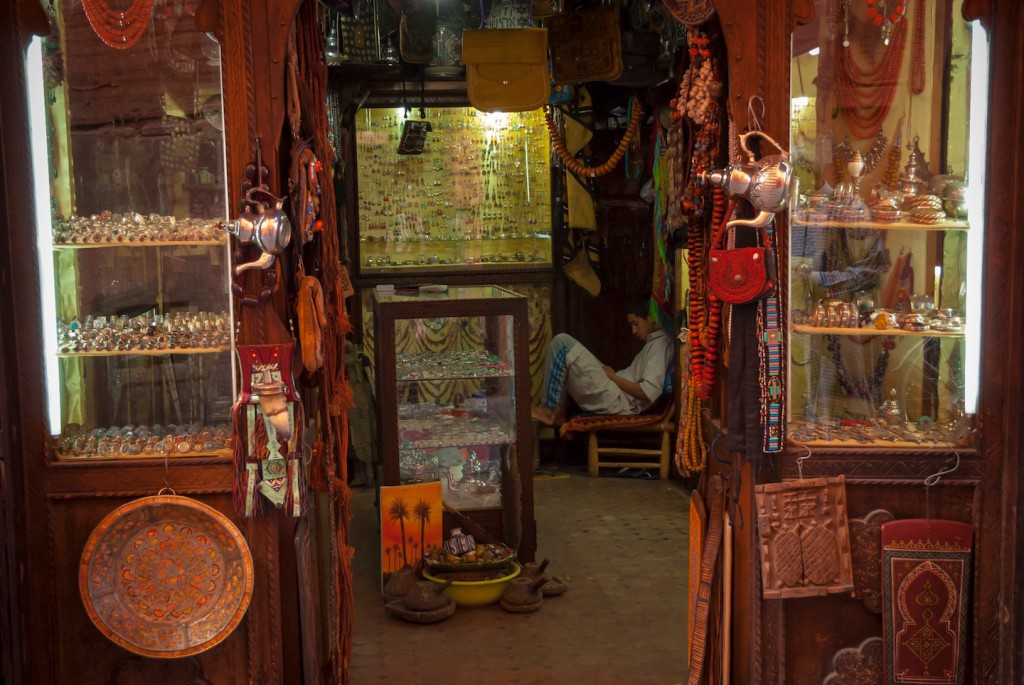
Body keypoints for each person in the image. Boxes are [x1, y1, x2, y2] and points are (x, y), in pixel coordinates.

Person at [531, 295, 673, 426]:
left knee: (561, 343)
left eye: (635, 323)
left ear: (650, 318)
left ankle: (549, 410)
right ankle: (558, 411)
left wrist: (613, 378)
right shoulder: (654, 342)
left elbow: (648, 393)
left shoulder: (661, 345)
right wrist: (612, 376)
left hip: (618, 399)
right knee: (568, 356)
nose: (633, 331)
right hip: (616, 391)